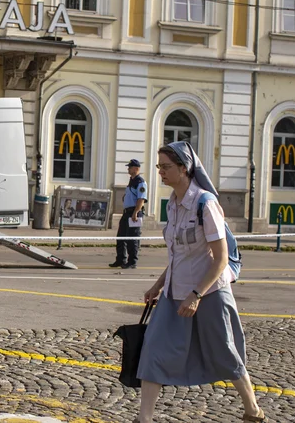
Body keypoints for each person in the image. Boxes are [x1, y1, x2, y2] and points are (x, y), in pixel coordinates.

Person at [134, 141, 264, 423]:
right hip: (173, 293)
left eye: (166, 167)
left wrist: (197, 294)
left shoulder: (206, 203)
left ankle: (253, 411)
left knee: (226, 353)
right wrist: (158, 286)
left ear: (184, 168)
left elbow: (220, 259)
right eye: (159, 167)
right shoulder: (173, 203)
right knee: (153, 351)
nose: (161, 172)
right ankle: (143, 419)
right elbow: (178, 255)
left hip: (209, 292)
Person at [110, 159, 147, 269]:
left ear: (136, 169)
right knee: (121, 237)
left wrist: (135, 213)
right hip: (127, 213)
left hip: (134, 212)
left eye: (130, 167)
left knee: (132, 238)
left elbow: (141, 199)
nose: (128, 169)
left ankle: (132, 261)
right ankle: (121, 259)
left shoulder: (140, 182)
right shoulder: (132, 180)